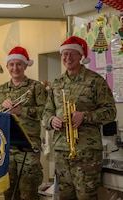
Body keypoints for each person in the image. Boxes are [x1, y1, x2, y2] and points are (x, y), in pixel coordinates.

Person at [43, 36, 117, 200]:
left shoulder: (95, 81)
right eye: (64, 54)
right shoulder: (57, 82)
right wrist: (51, 120)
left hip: (87, 151)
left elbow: (110, 111)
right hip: (62, 149)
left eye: (72, 54)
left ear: (81, 56)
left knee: (86, 196)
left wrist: (85, 116)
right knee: (65, 196)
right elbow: (46, 113)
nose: (67, 58)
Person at [0, 46, 47, 200]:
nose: (15, 68)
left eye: (19, 64)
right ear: (7, 66)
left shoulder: (36, 87)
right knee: (9, 192)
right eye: (12, 64)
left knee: (28, 191)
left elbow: (46, 112)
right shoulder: (1, 90)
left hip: (29, 145)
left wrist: (22, 111)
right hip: (5, 146)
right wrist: (2, 107)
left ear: (25, 65)